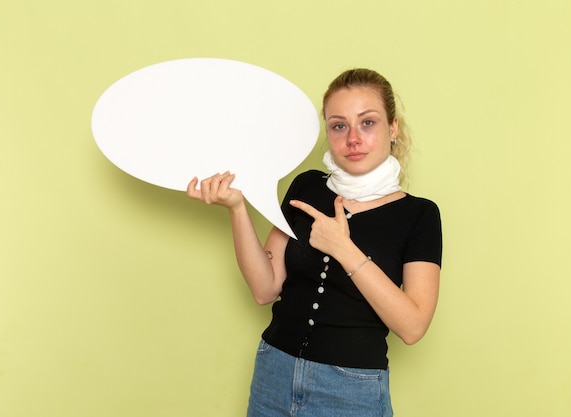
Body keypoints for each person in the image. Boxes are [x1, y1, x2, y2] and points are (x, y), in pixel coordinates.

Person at [186, 68, 442, 417]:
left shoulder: (419, 216)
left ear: (392, 127)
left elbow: (413, 327)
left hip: (352, 390)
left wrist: (343, 248)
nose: (353, 138)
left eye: (367, 122)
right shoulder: (306, 187)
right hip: (274, 373)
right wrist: (236, 208)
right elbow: (264, 289)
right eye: (339, 125)